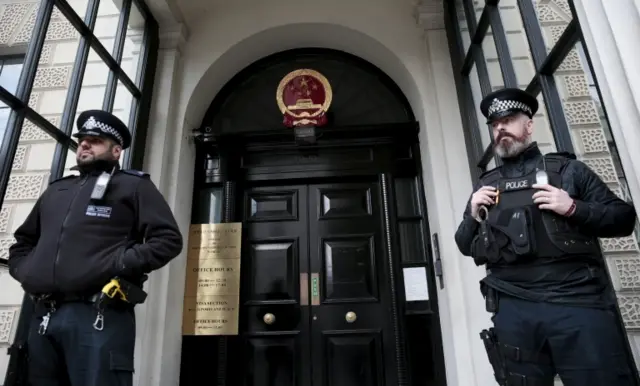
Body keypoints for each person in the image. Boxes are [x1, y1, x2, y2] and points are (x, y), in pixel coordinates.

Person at [454, 88, 639, 386]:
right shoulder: (487, 186)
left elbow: (624, 219)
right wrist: (473, 215)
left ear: (529, 125)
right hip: (513, 309)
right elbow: (464, 245)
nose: (501, 127)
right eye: (495, 124)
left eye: (509, 119)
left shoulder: (568, 171)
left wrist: (573, 207)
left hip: (575, 304)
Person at [7, 110, 183, 386]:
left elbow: (168, 239)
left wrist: (119, 262)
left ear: (116, 151)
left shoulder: (133, 186)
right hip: (44, 315)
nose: (85, 144)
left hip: (98, 314)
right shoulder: (57, 190)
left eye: (95, 140)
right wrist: (26, 271)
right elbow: (23, 242)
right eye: (82, 140)